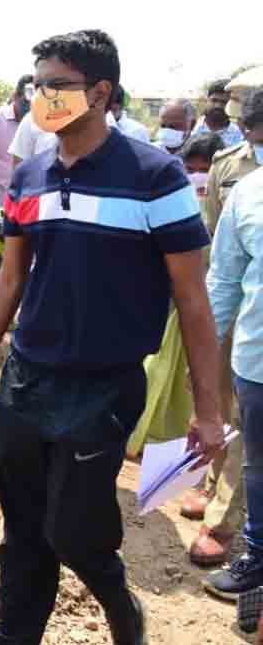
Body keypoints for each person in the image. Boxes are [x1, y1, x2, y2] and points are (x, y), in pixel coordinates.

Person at [0, 30, 224, 645]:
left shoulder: (155, 177)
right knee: (23, 526)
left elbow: (193, 299)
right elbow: (10, 280)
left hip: (104, 386)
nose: (41, 97)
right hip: (27, 378)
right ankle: (14, 632)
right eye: (36, 85)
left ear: (100, 92)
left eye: (56, 85)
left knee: (74, 532)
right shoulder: (28, 177)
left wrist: (207, 409)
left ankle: (119, 603)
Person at [193, 88, 263, 575]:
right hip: (251, 339)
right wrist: (206, 341)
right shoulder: (244, 186)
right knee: (240, 433)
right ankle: (224, 503)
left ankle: (224, 520)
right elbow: (222, 264)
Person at [127, 132, 225, 459]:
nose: (197, 175)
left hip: (207, 292)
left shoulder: (226, 196)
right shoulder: (171, 192)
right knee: (159, 367)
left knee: (190, 371)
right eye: (190, 168)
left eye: (204, 169)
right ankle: (143, 433)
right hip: (172, 292)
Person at [0, 75, 34, 310]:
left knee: (23, 264)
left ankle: (14, 311)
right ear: (15, 95)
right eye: (25, 100)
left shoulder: (39, 124)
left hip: (28, 209)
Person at [196, 79, 246, 147]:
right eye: (214, 100)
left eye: (224, 102)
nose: (218, 106)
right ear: (206, 100)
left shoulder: (240, 136)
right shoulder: (191, 128)